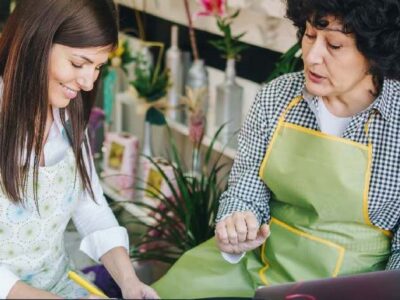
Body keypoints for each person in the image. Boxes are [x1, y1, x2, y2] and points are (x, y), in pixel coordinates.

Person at [152, 0, 400, 298]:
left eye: (334, 45)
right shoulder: (277, 96)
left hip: (350, 289)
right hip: (260, 267)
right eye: (309, 36)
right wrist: (236, 223)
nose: (312, 56)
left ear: (374, 53)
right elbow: (246, 189)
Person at [0, 0, 159, 299]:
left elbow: (91, 207)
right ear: (36, 42)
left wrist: (129, 282)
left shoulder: (67, 116)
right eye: (78, 63)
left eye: (98, 66)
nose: (88, 82)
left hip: (58, 286)